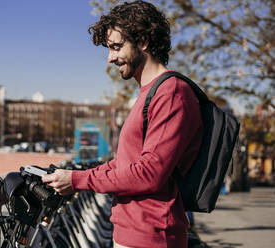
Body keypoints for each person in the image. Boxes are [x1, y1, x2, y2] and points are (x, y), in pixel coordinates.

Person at [42, 1, 203, 247]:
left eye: (116, 47)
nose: (110, 58)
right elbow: (125, 164)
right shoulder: (149, 93)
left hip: (151, 237)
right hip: (132, 232)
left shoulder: (170, 92)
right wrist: (77, 177)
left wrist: (77, 181)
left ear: (144, 41)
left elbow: (149, 174)